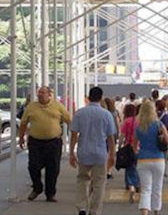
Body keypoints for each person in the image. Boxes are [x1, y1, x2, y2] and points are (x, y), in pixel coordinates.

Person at [19, 86, 71, 202]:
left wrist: (76, 135)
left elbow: (69, 120)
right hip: (35, 142)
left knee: (53, 169)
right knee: (33, 166)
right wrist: (21, 137)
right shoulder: (31, 107)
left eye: (43, 93)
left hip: (53, 142)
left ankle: (50, 193)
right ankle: (37, 188)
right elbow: (23, 123)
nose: (40, 95)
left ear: (49, 94)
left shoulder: (57, 106)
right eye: (39, 93)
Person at [70, 87, 116, 215]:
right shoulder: (106, 114)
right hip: (100, 153)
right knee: (99, 183)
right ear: (101, 98)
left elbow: (74, 134)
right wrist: (112, 154)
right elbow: (110, 138)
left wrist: (72, 153)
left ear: (88, 97)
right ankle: (94, 211)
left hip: (83, 152)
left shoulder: (79, 113)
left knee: (82, 179)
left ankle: (82, 207)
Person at [133, 100, 168, 215]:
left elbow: (135, 146)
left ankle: (144, 212)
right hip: (158, 160)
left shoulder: (139, 127)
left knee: (145, 189)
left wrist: (139, 151)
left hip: (143, 160)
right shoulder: (159, 124)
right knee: (157, 188)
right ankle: (156, 211)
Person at [119, 104, 140, 203]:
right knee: (136, 166)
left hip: (128, 147)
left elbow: (122, 136)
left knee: (129, 167)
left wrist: (119, 146)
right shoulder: (138, 121)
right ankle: (137, 184)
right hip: (138, 147)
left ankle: (131, 186)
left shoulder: (126, 121)